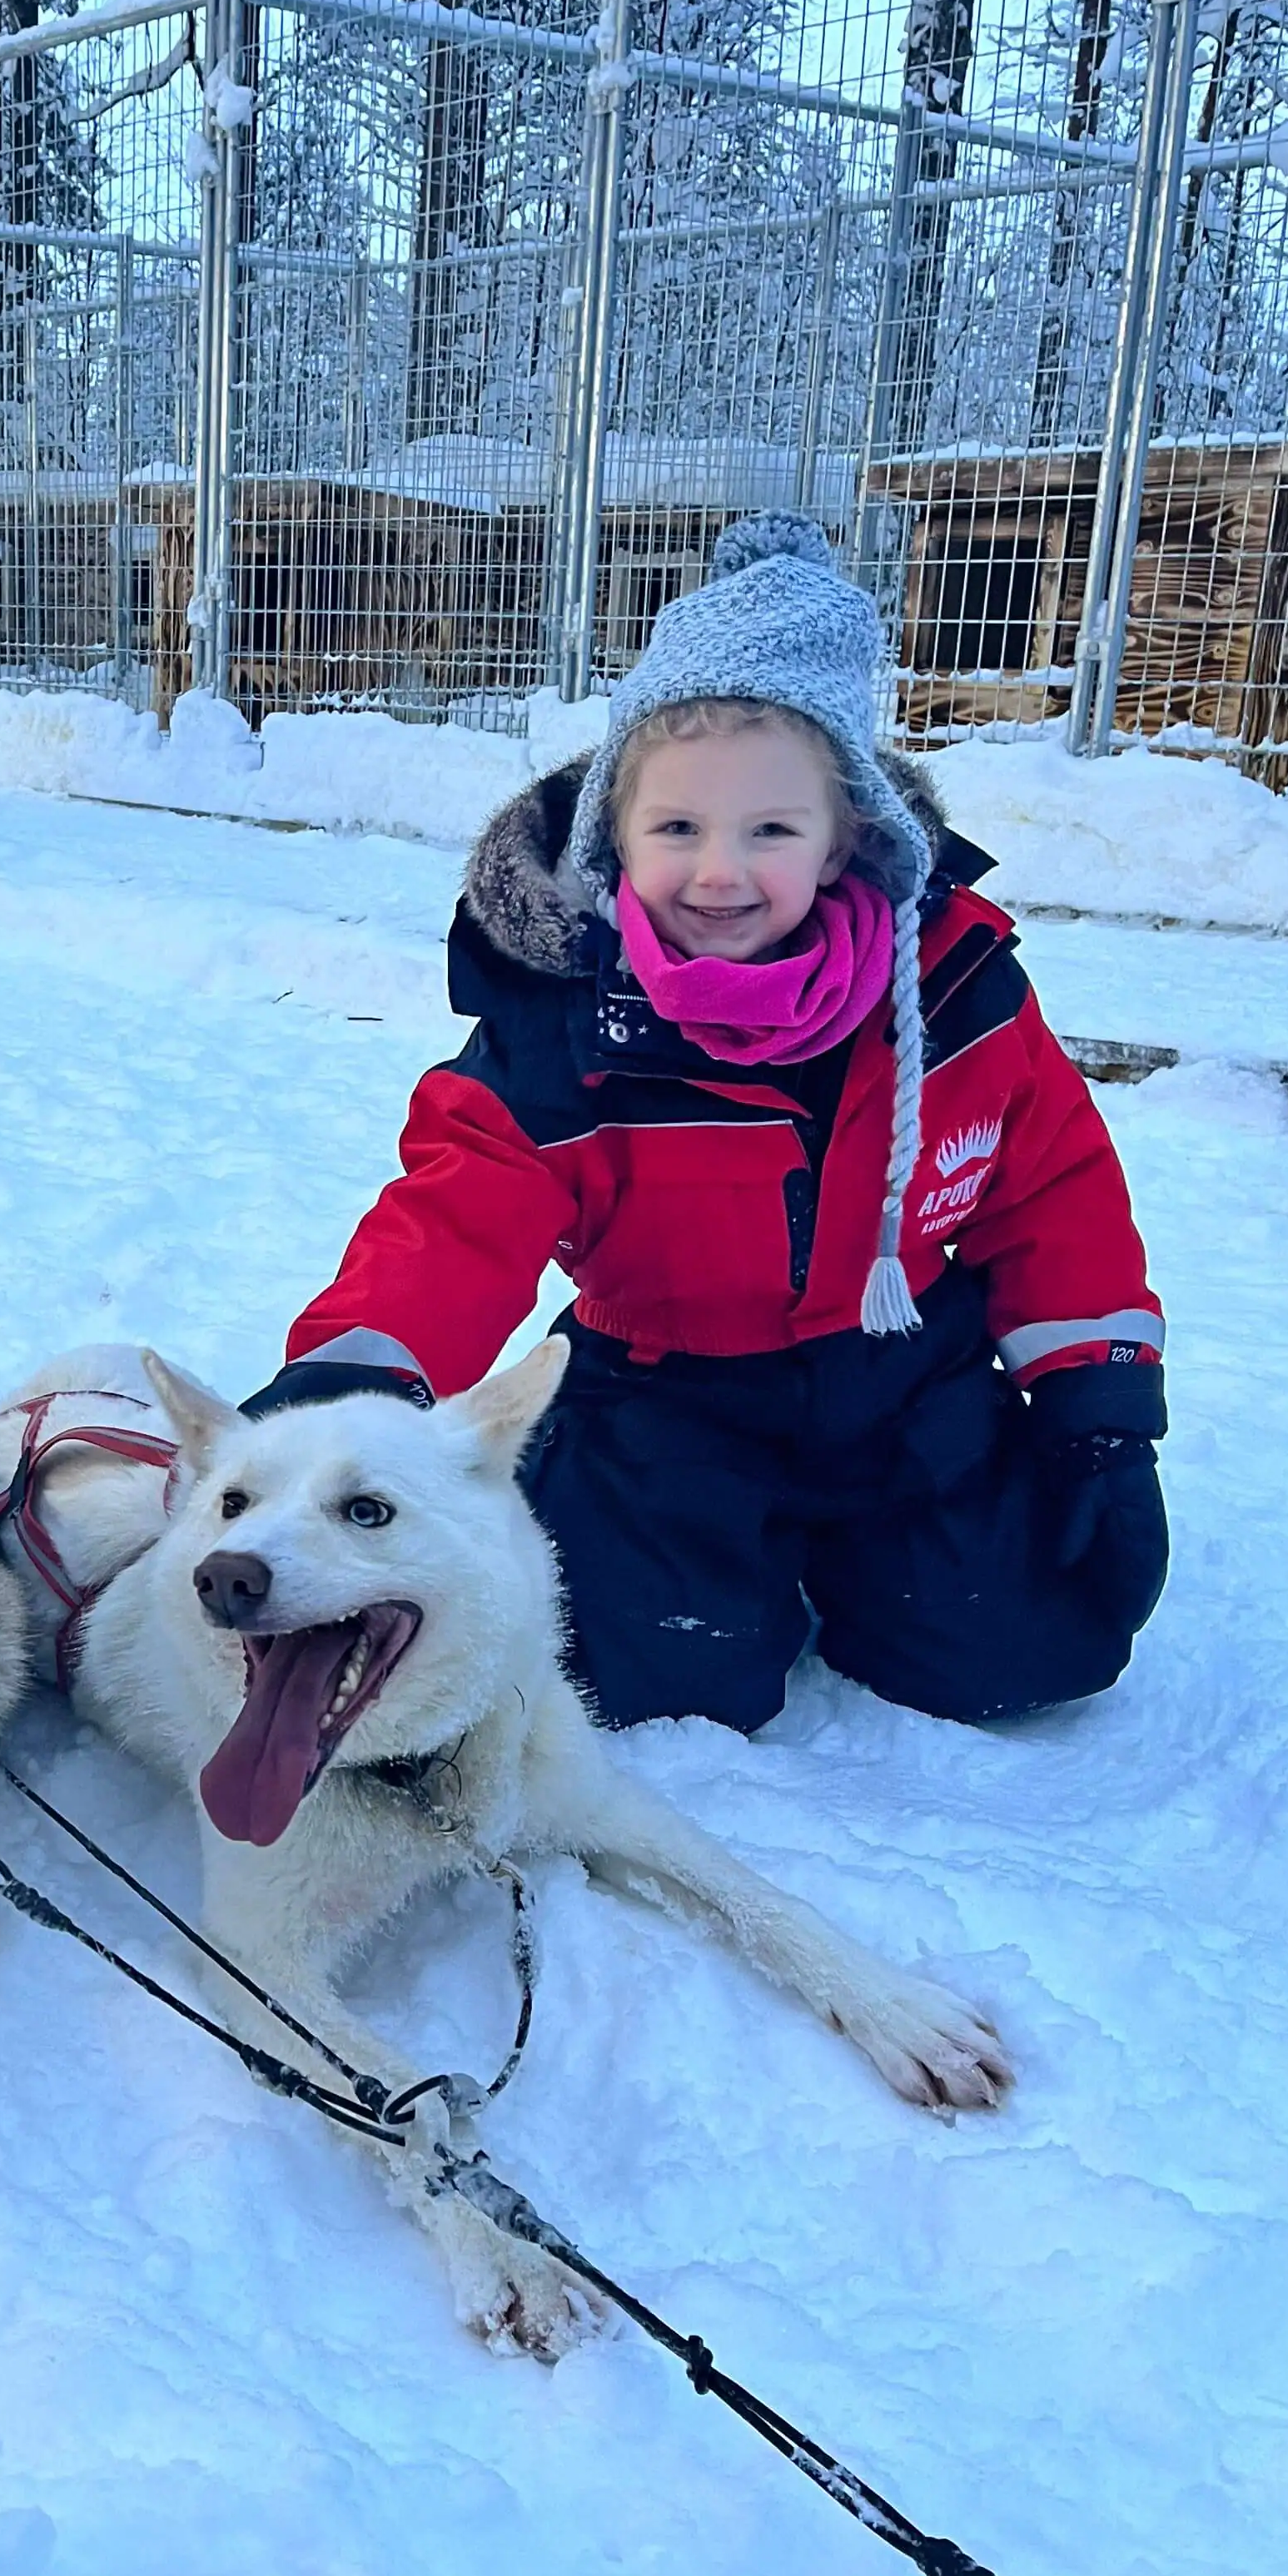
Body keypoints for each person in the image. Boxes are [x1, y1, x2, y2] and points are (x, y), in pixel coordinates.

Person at [242, 513, 1169, 1734]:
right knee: (644, 1688)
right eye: (677, 828)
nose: (719, 872)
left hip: (903, 1373)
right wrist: (342, 1396)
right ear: (614, 835)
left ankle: (871, 1548)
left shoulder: (954, 987)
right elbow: (454, 1218)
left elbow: (1052, 1190)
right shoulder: (568, 1029)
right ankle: (689, 1543)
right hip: (665, 1393)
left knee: (1033, 1651)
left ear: (849, 836)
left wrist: (1099, 1409)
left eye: (771, 831)